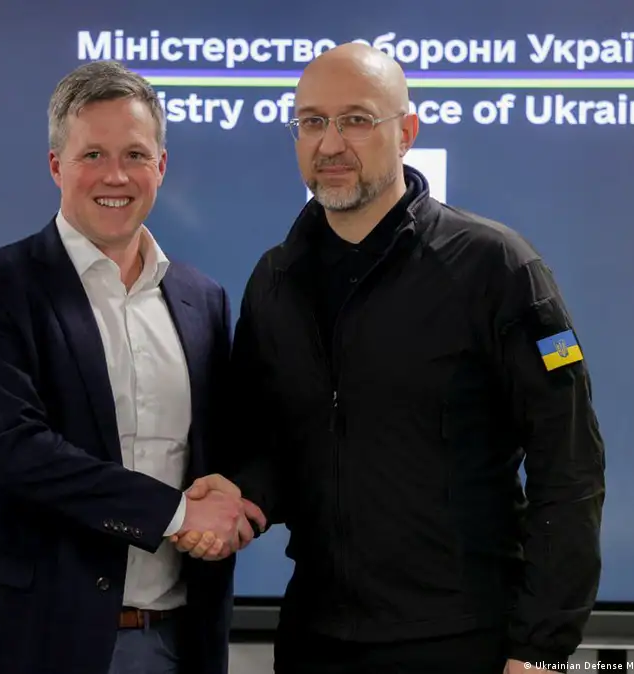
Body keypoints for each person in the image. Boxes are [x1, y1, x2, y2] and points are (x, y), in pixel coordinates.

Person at [178, 42, 606, 673]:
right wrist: (242, 496)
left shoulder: (496, 267)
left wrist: (540, 648)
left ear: (406, 133)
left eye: (356, 120)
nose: (330, 144)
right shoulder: (276, 280)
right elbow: (269, 444)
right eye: (312, 122)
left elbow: (568, 465)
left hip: (461, 639)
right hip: (315, 637)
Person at [0, 60, 261, 674]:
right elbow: (11, 450)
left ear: (161, 166)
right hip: (23, 644)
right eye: (93, 155)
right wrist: (179, 515)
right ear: (56, 167)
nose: (115, 176)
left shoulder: (202, 299)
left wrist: (237, 499)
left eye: (135, 155)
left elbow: (222, 445)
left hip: (172, 643)